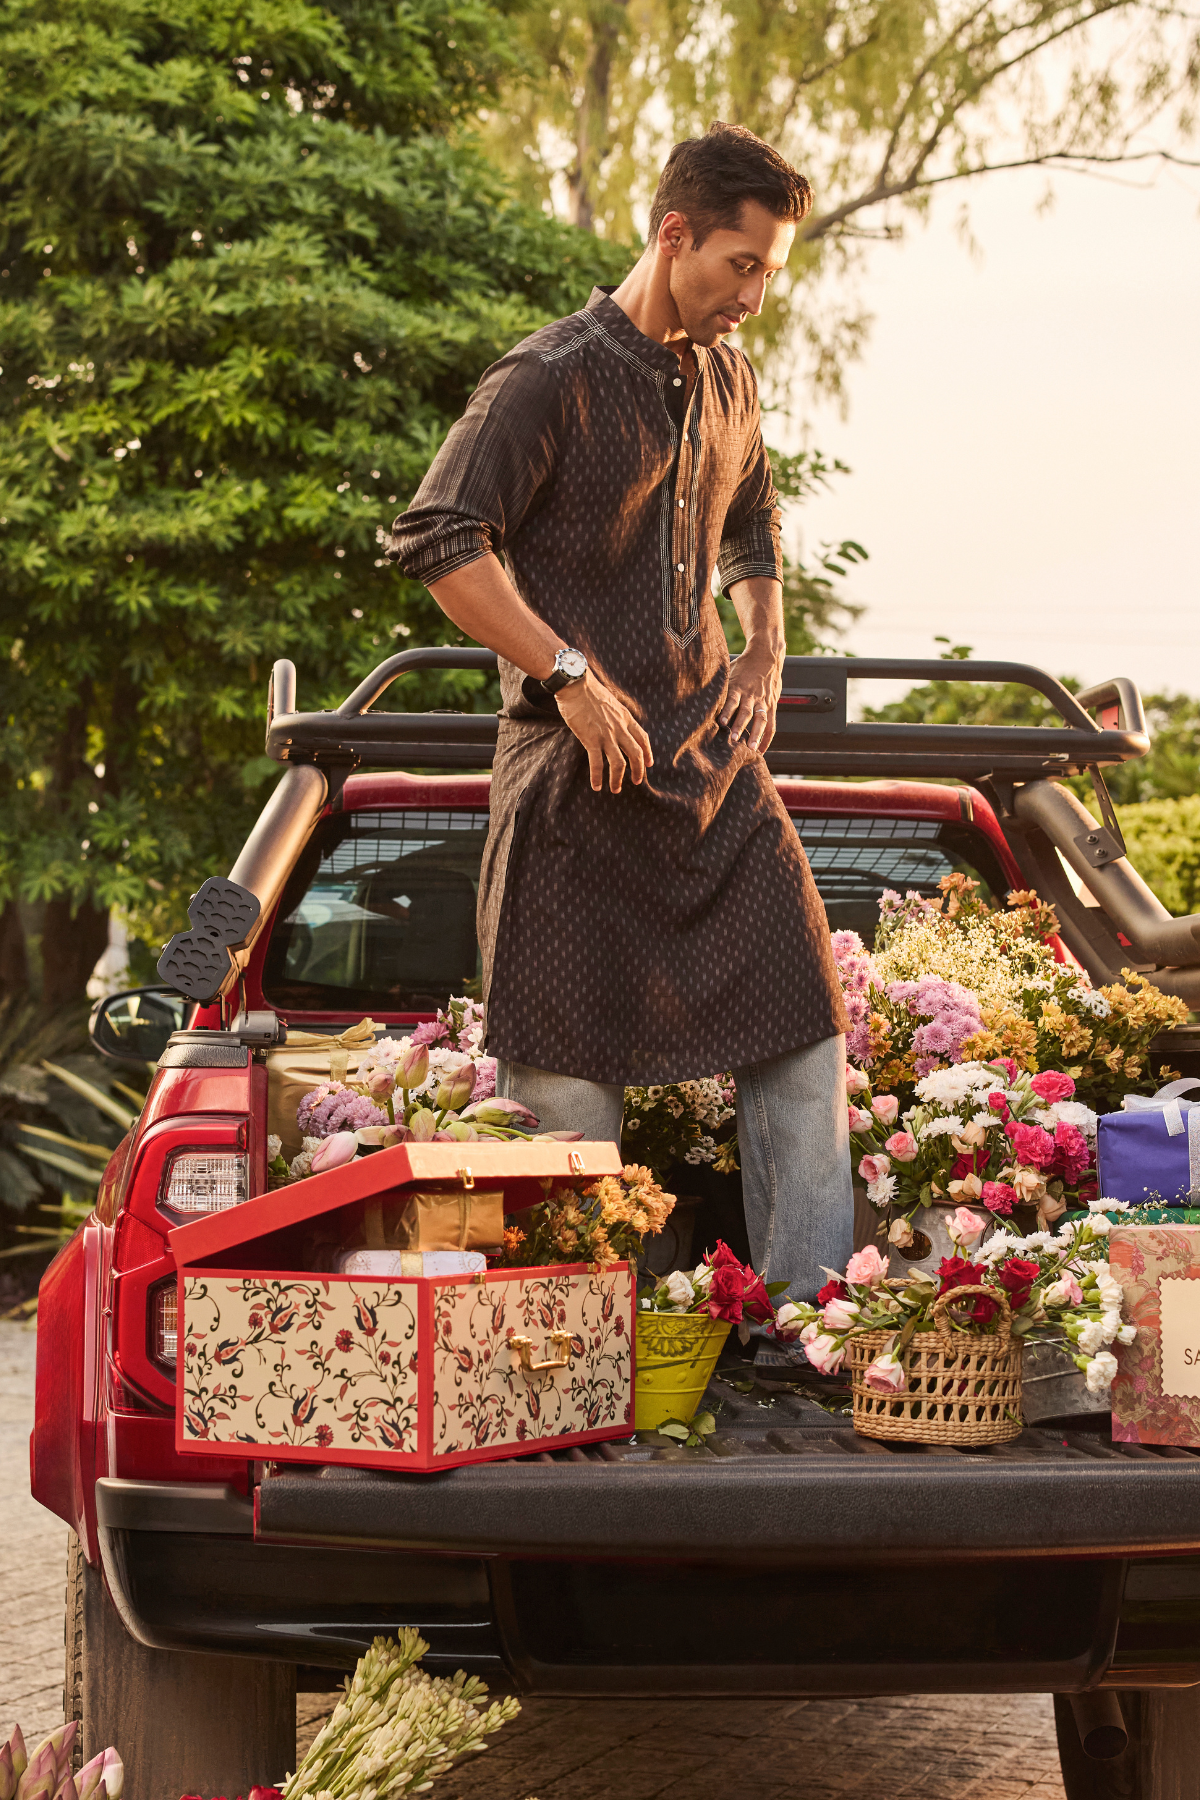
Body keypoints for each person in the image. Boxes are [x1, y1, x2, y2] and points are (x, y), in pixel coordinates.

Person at [388, 122, 852, 1306]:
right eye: (740, 266)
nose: (755, 295)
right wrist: (568, 673)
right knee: (572, 1080)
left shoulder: (732, 380)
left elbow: (752, 519)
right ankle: (582, 1348)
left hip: (710, 774)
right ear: (674, 234)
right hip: (571, 782)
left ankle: (814, 1328)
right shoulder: (548, 376)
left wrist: (763, 643)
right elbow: (440, 539)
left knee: (804, 1020)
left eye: (770, 274)